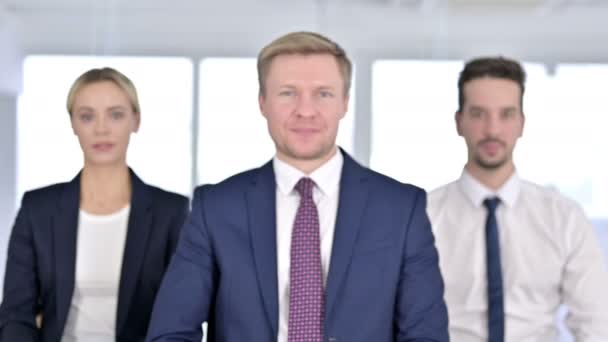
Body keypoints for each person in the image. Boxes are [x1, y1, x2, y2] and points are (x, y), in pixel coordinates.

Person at [146, 31, 448, 342]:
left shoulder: (400, 208)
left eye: (323, 94)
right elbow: (171, 332)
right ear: (263, 102)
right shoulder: (217, 207)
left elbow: (425, 335)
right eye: (288, 93)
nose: (305, 110)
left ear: (344, 102)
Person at [0, 67, 189, 342]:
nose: (101, 128)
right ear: (73, 124)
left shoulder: (171, 212)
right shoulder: (37, 209)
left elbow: (181, 314)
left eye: (115, 115)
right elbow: (16, 313)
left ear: (136, 121)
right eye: (87, 116)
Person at [427, 56, 608, 341]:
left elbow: (596, 324)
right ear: (459, 122)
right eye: (478, 114)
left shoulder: (564, 218)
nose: (493, 130)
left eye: (506, 114)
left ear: (521, 123)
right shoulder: (422, 217)